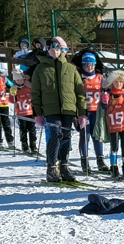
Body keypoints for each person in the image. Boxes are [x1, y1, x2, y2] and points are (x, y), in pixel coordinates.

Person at [31, 36, 86, 183]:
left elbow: (80, 92)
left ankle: (64, 166)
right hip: (50, 108)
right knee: (55, 134)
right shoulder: (40, 69)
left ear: (61, 50)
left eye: (58, 48)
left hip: (68, 108)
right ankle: (51, 167)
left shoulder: (70, 68)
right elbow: (35, 93)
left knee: (66, 136)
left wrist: (82, 113)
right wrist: (38, 113)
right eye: (52, 48)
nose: (55, 51)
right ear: (47, 49)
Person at [71, 49, 108, 173]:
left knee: (97, 136)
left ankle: (100, 160)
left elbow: (107, 89)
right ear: (82, 65)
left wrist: (106, 95)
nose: (89, 67)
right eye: (86, 64)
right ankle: (84, 161)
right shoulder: (78, 77)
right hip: (84, 112)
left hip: (96, 111)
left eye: (91, 64)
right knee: (85, 136)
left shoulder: (100, 77)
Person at [101, 69, 124, 179]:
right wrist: (104, 101)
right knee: (114, 146)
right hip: (113, 124)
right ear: (112, 82)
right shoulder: (108, 94)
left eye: (121, 82)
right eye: (116, 82)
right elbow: (103, 108)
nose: (119, 84)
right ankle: (114, 167)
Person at [9, 67, 37, 154]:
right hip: (21, 113)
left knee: (32, 130)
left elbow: (34, 96)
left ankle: (33, 146)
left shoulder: (27, 87)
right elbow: (11, 101)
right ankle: (25, 146)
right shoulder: (15, 89)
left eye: (21, 80)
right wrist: (12, 94)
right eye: (18, 80)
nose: (20, 82)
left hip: (30, 112)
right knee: (23, 130)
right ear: (15, 81)